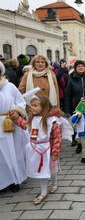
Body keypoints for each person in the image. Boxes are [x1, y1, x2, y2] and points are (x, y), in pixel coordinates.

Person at [11, 96, 62, 205]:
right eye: (31, 106)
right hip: (35, 149)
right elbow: (25, 126)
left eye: (35, 106)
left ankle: (54, 183)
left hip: (47, 150)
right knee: (42, 172)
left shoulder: (52, 121)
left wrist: (55, 152)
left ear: (44, 107)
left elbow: (57, 137)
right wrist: (17, 118)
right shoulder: (32, 119)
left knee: (52, 169)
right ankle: (43, 192)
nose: (32, 108)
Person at [0, 61, 27, 192]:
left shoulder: (9, 86)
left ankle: (14, 180)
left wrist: (17, 110)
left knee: (12, 152)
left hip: (9, 123)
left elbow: (21, 101)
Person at [64, 60, 85, 150]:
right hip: (76, 107)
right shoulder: (71, 80)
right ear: (75, 68)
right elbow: (67, 95)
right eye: (78, 66)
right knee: (78, 126)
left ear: (84, 67)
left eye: (82, 66)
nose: (80, 68)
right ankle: (80, 144)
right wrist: (67, 109)